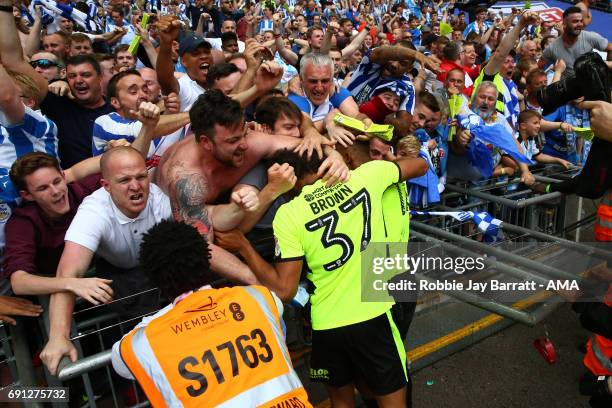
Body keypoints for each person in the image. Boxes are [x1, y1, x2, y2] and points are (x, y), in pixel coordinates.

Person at [215, 148, 427, 407]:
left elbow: (284, 290)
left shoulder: (288, 214)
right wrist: (386, 165)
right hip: (373, 316)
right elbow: (420, 165)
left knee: (341, 404)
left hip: (326, 325)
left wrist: (244, 247)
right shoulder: (367, 175)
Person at [111, 219, 312, 408]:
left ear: (155, 280)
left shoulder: (143, 342)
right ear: (207, 259)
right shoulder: (260, 298)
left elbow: (118, 359)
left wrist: (173, 308)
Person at [154, 90, 348, 283]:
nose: (245, 145)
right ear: (206, 142)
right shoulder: (186, 179)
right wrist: (255, 281)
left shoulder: (251, 142)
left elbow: (306, 145)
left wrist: (335, 156)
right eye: (233, 141)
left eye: (244, 134)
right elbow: (205, 247)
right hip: (172, 214)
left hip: (225, 207)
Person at [540, 6, 610, 80]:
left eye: (581, 21)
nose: (580, 24)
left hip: (591, 85)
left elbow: (610, 48)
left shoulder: (590, 37)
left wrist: (608, 75)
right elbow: (538, 67)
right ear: (564, 23)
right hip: (569, 89)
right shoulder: (552, 47)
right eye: (575, 21)